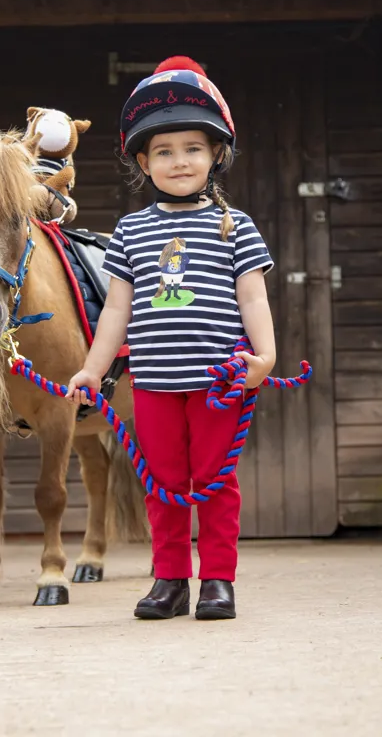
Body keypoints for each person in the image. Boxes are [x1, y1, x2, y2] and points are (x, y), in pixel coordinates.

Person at [65, 56, 276, 621]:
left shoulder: (236, 226)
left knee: (215, 480)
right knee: (162, 484)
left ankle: (218, 580)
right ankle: (170, 579)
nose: (179, 160)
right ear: (143, 160)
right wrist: (93, 368)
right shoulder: (132, 231)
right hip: (154, 382)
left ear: (215, 155)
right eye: (163, 151)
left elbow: (252, 297)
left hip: (217, 381)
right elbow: (116, 307)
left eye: (192, 148)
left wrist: (266, 355)